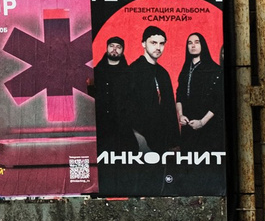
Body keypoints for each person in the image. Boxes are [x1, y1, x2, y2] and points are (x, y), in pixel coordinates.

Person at [133, 27, 182, 193]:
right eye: (153, 42)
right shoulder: (133, 70)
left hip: (163, 141)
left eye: (162, 43)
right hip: (140, 140)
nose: (158, 47)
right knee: (143, 183)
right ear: (143, 44)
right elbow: (126, 108)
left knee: (161, 184)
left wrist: (175, 142)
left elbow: (169, 109)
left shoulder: (163, 73)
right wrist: (138, 137)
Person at [90, 34, 135, 195]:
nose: (114, 49)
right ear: (107, 48)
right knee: (102, 161)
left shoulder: (128, 73)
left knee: (126, 159)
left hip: (123, 126)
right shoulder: (97, 71)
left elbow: (133, 98)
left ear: (122, 51)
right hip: (101, 126)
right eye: (112, 46)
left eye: (118, 47)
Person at [177, 29, 225, 167]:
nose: (193, 45)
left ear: (202, 45)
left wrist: (202, 122)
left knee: (206, 166)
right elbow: (179, 94)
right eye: (190, 43)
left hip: (208, 127)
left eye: (196, 42)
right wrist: (180, 115)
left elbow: (218, 101)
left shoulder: (214, 69)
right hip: (188, 126)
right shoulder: (185, 68)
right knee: (187, 165)